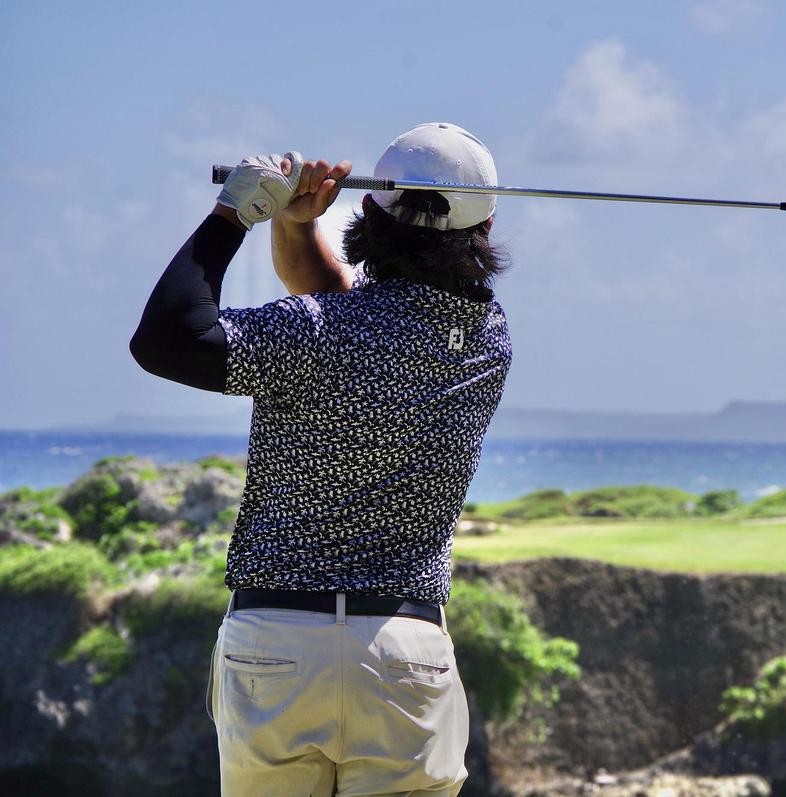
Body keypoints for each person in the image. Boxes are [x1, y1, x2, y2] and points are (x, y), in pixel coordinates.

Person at [130, 122, 511, 797]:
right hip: (403, 652)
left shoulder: (312, 334)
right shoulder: (486, 338)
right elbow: (359, 316)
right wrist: (297, 230)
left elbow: (168, 338)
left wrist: (235, 215)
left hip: (278, 644)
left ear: (366, 210)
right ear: (484, 228)